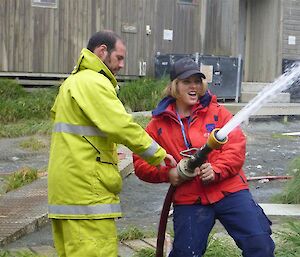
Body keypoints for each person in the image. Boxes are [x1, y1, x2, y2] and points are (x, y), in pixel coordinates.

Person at [47, 30, 176, 257]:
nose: (122, 65)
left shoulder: (71, 83)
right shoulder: (93, 82)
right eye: (119, 58)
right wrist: (158, 154)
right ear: (102, 51)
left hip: (65, 193)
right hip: (88, 195)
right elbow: (120, 125)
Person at [133, 57, 275, 257]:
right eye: (187, 82)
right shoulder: (157, 125)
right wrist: (169, 173)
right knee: (186, 254)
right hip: (190, 198)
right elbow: (140, 163)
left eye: (197, 81)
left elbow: (236, 147)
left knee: (260, 245)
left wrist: (217, 169)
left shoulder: (218, 113)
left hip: (229, 190)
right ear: (175, 86)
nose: (193, 86)